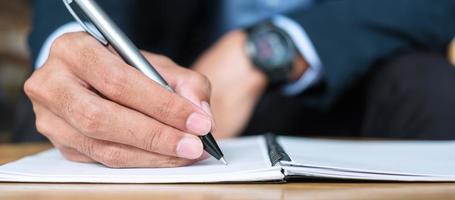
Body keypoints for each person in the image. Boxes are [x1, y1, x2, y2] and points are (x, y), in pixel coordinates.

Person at [13, 0, 455, 168]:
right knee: (65, 111)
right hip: (174, 73)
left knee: (435, 91)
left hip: (353, 72)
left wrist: (269, 50)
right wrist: (75, 53)